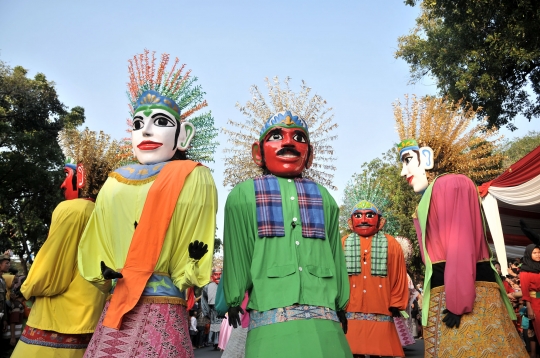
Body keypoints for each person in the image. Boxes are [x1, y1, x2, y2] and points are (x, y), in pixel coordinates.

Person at [78, 51, 218, 358]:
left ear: (184, 134)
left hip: (163, 303)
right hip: (120, 303)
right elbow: (97, 243)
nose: (147, 130)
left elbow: (193, 251)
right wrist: (105, 270)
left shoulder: (194, 177)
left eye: (161, 121)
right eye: (139, 122)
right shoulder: (115, 181)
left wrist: (191, 264)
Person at [223, 109, 352, 358]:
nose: (288, 143)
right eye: (276, 136)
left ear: (310, 154)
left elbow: (335, 253)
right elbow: (238, 253)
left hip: (324, 313)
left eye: (298, 137)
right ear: (258, 152)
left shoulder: (324, 197)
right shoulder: (242, 196)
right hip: (268, 310)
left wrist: (341, 303)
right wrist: (233, 297)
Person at [398, 138, 526, 357]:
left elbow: (460, 243)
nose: (403, 172)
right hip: (449, 292)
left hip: (461, 296)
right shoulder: (437, 191)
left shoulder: (452, 184)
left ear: (427, 157)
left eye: (408, 160)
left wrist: (458, 302)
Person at [11, 129, 124, 358]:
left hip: (55, 320)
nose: (63, 184)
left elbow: (52, 270)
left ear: (80, 176)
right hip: (89, 320)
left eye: (66, 175)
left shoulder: (72, 209)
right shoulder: (107, 214)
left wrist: (25, 288)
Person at [341, 200, 409, 357]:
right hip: (351, 307)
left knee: (381, 352)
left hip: (381, 306)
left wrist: (397, 303)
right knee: (351, 351)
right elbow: (338, 277)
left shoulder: (391, 243)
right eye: (358, 215)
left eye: (369, 215)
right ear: (351, 221)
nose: (364, 220)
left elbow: (398, 275)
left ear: (380, 220)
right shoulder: (343, 243)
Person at [201, 271, 223, 350]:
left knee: (224, 327)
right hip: (213, 311)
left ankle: (222, 342)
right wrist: (206, 312)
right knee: (215, 326)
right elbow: (204, 300)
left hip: (225, 311)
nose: (218, 276)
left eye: (220, 274)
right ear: (212, 276)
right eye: (216, 274)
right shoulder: (207, 287)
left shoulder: (226, 284)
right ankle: (215, 343)